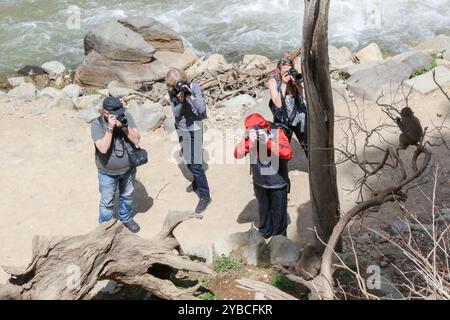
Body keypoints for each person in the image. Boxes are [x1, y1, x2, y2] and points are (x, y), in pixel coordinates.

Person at [234, 113, 293, 238]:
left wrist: (268, 142)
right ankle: (265, 232)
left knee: (279, 212)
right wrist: (249, 142)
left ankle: (280, 238)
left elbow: (287, 153)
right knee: (264, 209)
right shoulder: (251, 136)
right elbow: (237, 154)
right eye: (248, 130)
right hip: (259, 181)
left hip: (278, 182)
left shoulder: (277, 133)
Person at [91, 96, 141, 233]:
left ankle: (126, 218)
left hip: (128, 168)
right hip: (107, 172)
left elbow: (136, 140)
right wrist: (110, 128)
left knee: (127, 196)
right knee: (107, 203)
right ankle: (105, 228)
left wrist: (124, 127)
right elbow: (103, 148)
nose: (120, 115)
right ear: (106, 113)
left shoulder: (125, 117)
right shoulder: (97, 124)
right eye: (116, 113)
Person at [165, 68, 211, 213]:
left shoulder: (194, 87)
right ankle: (197, 182)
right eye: (176, 84)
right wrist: (180, 101)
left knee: (196, 164)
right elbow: (177, 114)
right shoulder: (172, 92)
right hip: (181, 128)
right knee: (187, 158)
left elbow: (202, 109)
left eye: (182, 82)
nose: (180, 86)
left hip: (196, 128)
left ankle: (205, 196)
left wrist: (191, 97)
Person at [268, 57, 308, 157]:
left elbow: (307, 99)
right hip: (282, 118)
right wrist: (284, 84)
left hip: (299, 117)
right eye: (284, 71)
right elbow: (277, 105)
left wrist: (298, 84)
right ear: (279, 71)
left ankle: (314, 168)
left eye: (289, 70)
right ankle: (280, 171)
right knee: (281, 149)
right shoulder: (273, 82)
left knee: (308, 145)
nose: (287, 73)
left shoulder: (296, 77)